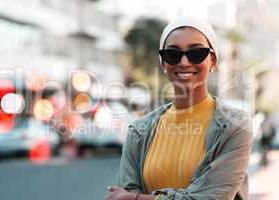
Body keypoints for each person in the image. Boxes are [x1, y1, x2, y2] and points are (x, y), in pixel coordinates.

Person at [104, 16, 252, 200]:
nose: (183, 62)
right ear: (163, 62)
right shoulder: (139, 131)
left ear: (212, 60)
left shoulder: (235, 126)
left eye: (196, 52)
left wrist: (136, 198)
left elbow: (212, 198)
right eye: (173, 54)